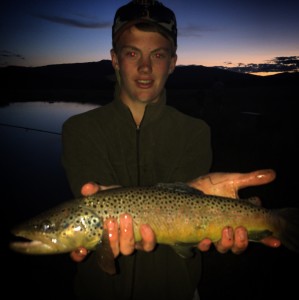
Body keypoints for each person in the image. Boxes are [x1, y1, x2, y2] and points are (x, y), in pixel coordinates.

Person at [61, 1, 280, 299]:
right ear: (114, 59)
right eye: (132, 53)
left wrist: (227, 219)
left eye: (158, 55)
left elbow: (187, 202)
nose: (145, 67)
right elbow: (91, 209)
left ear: (173, 62)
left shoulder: (195, 131)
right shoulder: (79, 128)